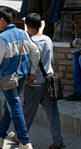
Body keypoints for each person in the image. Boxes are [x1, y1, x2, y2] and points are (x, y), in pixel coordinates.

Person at [0, 6, 38, 149]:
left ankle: (24, 141)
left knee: (14, 107)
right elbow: (35, 52)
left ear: (2, 20)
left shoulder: (1, 39)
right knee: (8, 106)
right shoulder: (23, 33)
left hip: (8, 79)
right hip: (22, 76)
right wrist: (32, 72)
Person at [19, 12, 64, 149]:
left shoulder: (28, 41)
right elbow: (50, 60)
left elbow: (27, 63)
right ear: (40, 25)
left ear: (27, 26)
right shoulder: (48, 39)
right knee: (53, 113)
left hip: (34, 83)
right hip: (48, 81)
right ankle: (58, 140)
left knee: (27, 113)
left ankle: (21, 138)